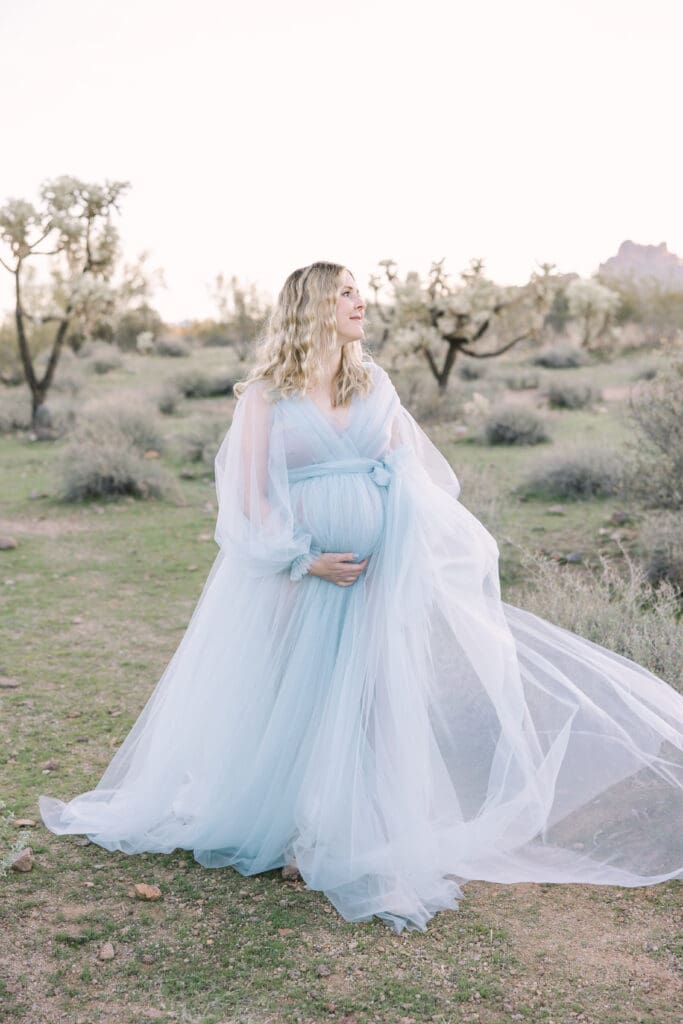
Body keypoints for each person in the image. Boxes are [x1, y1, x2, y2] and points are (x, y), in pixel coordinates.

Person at [40, 261, 683, 935]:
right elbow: (248, 498)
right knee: (298, 694)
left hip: (379, 574)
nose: (360, 302)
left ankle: (350, 826)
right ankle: (291, 829)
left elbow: (414, 471)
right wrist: (301, 558)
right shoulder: (264, 396)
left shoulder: (375, 382)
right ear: (312, 305)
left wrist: (424, 543)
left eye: (357, 291)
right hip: (300, 574)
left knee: (371, 698)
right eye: (346, 292)